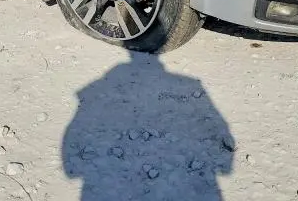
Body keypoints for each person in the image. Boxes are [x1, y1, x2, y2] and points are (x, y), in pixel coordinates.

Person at [62, 52, 234, 200]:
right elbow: (220, 125)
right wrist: (225, 164)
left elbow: (74, 129)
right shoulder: (190, 83)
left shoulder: (98, 89)